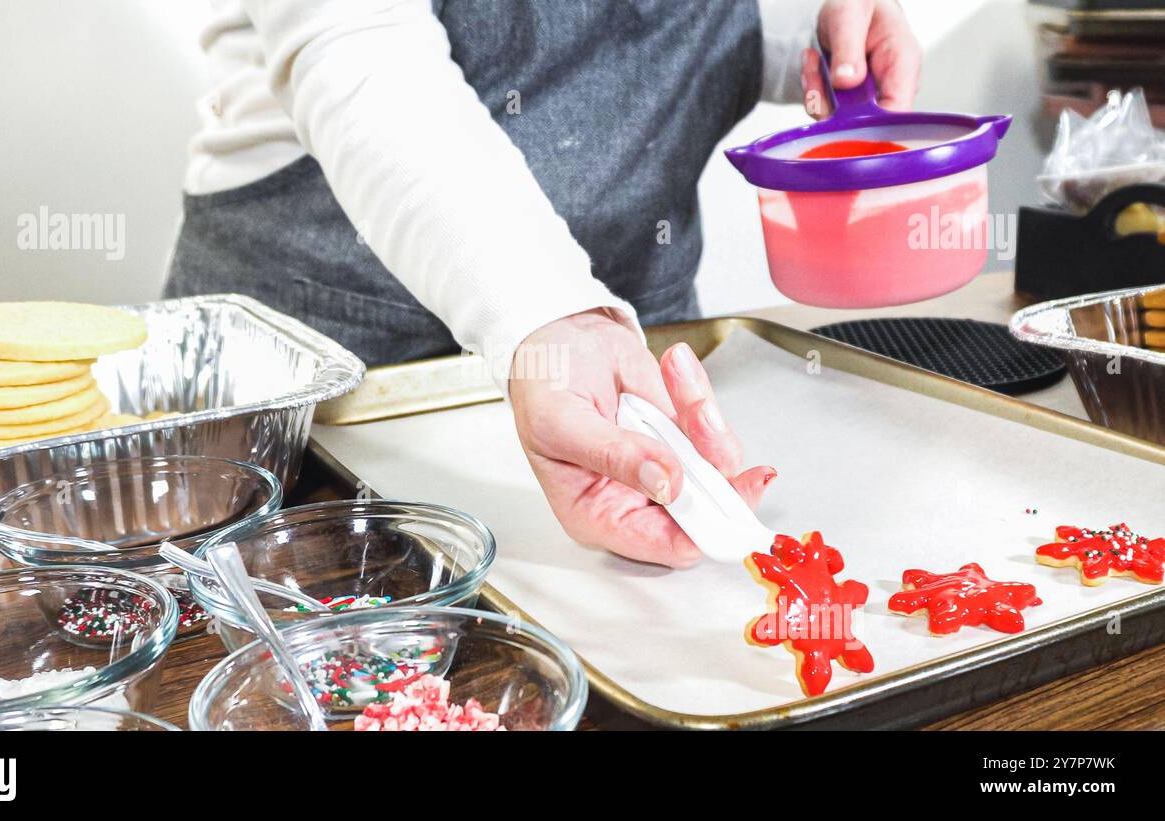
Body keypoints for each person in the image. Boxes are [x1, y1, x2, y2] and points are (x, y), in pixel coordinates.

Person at [166, 0, 922, 567]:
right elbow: (361, 54)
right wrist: (550, 314)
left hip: (619, 327)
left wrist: (820, 29)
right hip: (324, 330)